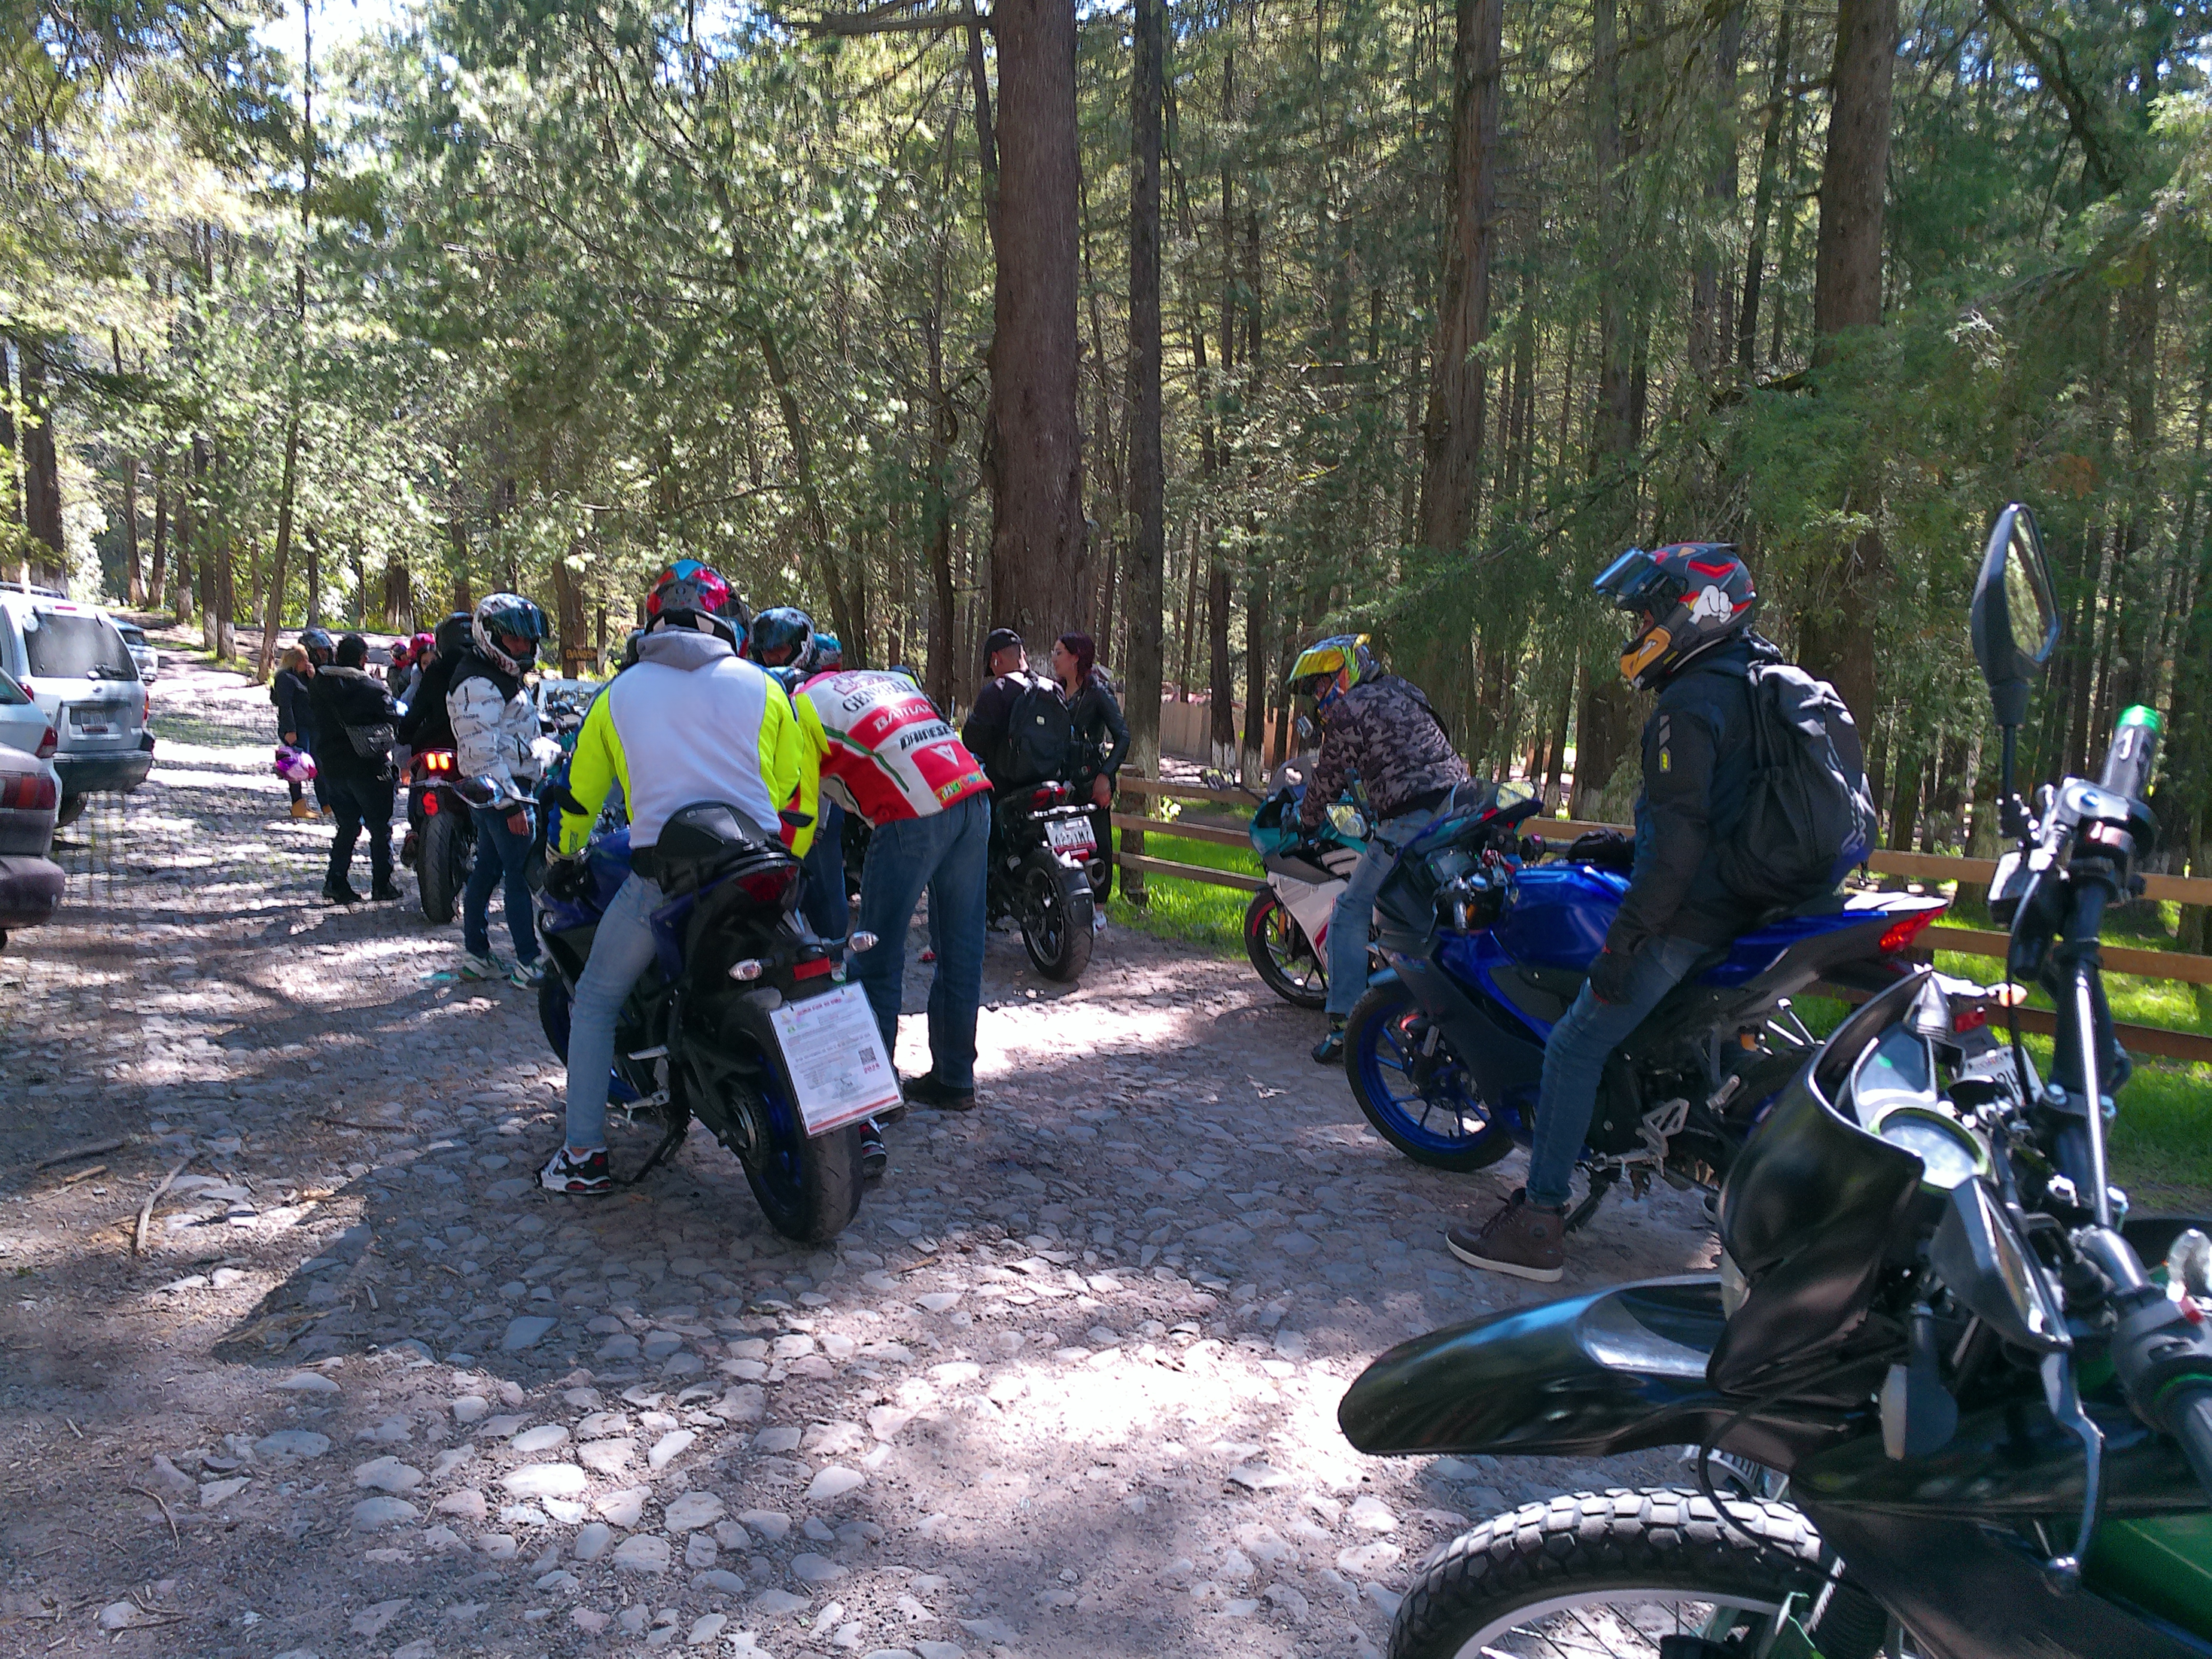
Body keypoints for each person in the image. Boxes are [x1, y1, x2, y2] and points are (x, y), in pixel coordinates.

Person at [1447, 543, 1772, 1283]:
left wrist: (1622, 948)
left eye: (1654, 611)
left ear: (1701, 611)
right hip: (1763, 906)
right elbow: (1716, 817)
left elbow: (1684, 842)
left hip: (1698, 917)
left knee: (1573, 1044)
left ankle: (1539, 1223)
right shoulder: (1758, 681)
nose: (1644, 626)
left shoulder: (1690, 703)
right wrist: (1628, 846)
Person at [539, 599, 803, 1195]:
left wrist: (562, 858)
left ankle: (583, 1155)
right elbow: (787, 778)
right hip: (758, 860)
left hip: (667, 875)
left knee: (597, 998)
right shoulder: (761, 684)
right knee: (813, 971)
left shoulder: (619, 692)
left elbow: (580, 798)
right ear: (724, 634)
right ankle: (860, 1125)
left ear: (647, 637)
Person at [789, 664, 992, 1112]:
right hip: (972, 793)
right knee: (961, 951)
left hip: (912, 808)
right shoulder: (886, 680)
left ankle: (877, 1093)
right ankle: (955, 1079)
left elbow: (803, 814)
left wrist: (786, 864)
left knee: (874, 952)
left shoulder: (799, 711)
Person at [1292, 634, 1470, 1064]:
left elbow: (1327, 777)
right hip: (1459, 807)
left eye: (1322, 684)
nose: (1320, 695)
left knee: (1351, 912)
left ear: (1345, 672)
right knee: (1431, 914)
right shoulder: (1405, 690)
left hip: (1412, 820)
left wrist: (1306, 824)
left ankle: (1345, 1026)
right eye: (1315, 689)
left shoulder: (1351, 709)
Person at [449, 593, 554, 987]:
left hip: (504, 789)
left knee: (489, 870)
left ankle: (478, 956)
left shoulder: (497, 676)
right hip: (503, 793)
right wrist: (511, 805)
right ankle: (528, 961)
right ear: (490, 636)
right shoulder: (479, 681)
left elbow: (508, 732)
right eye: (514, 640)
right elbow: (480, 753)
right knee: (519, 875)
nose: (523, 648)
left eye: (527, 640)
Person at [748, 608, 850, 939]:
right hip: (771, 805)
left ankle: (835, 966)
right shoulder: (755, 685)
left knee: (824, 889)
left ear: (802, 647)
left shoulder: (821, 686)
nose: (773, 657)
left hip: (817, 806)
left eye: (780, 650)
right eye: (767, 651)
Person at [309, 633, 403, 905]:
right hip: (368, 766)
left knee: (348, 826)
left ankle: (336, 882)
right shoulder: (371, 689)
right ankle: (382, 885)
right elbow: (393, 715)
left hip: (332, 766)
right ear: (363, 659)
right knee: (380, 828)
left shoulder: (319, 685)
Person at [1050, 631, 1127, 908]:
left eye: (1059, 653)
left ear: (1076, 658)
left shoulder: (1098, 693)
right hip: (1061, 777)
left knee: (1100, 843)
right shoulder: (1054, 691)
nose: (1054, 658)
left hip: (1093, 778)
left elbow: (1123, 737)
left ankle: (1099, 907)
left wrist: (1106, 775)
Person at [397, 612, 472, 757]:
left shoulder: (436, 671)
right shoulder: (491, 668)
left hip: (436, 745)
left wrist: (403, 735)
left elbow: (417, 711)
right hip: (479, 751)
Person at [272, 644, 316, 820]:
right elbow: (286, 705)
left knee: (305, 767)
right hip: (296, 728)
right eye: (304, 660)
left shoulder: (302, 678)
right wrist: (290, 730)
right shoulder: (285, 678)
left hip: (307, 726)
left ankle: (303, 804)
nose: (307, 664)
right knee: (295, 768)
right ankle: (298, 804)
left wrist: (313, 679)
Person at [298, 627, 337, 816]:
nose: (323, 654)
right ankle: (298, 803)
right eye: (319, 651)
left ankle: (327, 804)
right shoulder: (295, 673)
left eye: (325, 650)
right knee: (298, 764)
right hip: (302, 726)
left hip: (322, 726)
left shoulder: (330, 671)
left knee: (322, 765)